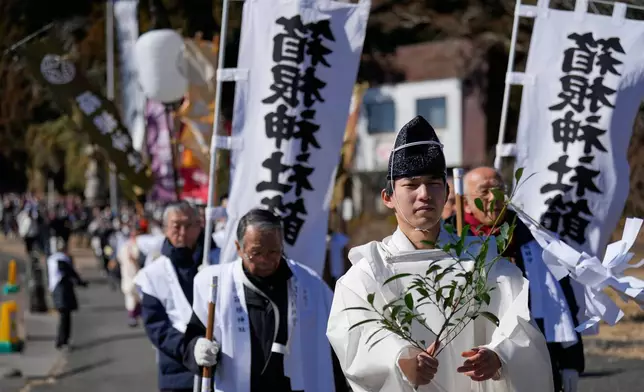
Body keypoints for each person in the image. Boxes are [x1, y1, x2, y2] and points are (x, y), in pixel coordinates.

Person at [326, 115, 553, 392]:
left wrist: (500, 355)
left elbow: (519, 320)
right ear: (388, 197)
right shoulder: (371, 271)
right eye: (411, 184)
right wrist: (399, 359)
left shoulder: (482, 261)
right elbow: (355, 334)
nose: (424, 194)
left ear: (446, 193)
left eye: (434, 183)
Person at [182, 208, 346, 392]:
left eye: (274, 252)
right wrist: (198, 349)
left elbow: (334, 346)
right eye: (256, 253)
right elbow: (192, 338)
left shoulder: (310, 284)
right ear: (238, 248)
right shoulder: (217, 284)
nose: (265, 260)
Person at [457, 166, 584, 392]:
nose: (493, 197)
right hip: (469, 358)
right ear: (466, 203)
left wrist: (570, 361)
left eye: (499, 189)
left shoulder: (531, 235)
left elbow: (561, 299)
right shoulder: (451, 236)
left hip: (529, 351)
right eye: (484, 191)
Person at [134, 202, 203, 392]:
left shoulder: (217, 261)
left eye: (189, 225)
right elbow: (156, 326)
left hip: (220, 370)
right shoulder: (153, 273)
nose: (182, 232)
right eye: (176, 226)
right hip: (177, 372)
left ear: (199, 226)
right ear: (165, 229)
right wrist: (190, 348)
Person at [46, 238, 88, 351]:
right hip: (62, 290)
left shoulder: (51, 259)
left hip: (56, 289)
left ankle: (63, 340)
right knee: (65, 317)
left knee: (65, 316)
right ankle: (62, 341)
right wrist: (80, 282)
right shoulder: (61, 259)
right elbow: (69, 271)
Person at [117, 219, 147, 327]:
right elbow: (121, 258)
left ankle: (141, 315)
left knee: (141, 297)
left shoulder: (140, 245)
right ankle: (132, 317)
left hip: (139, 275)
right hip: (128, 275)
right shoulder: (126, 246)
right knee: (130, 296)